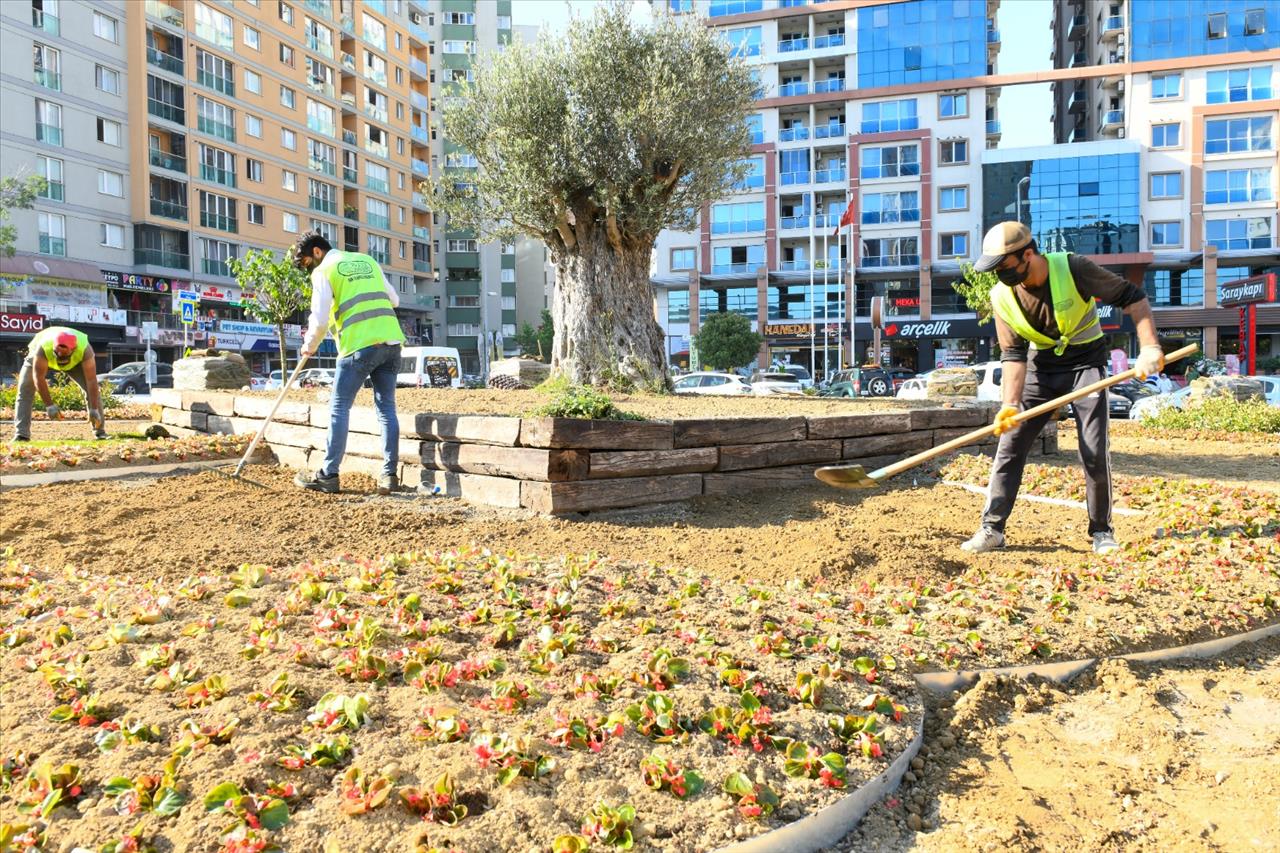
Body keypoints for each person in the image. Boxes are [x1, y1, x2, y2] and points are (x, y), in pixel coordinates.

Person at [961, 222, 1164, 556]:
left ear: (1028, 254)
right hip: (1041, 369)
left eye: (1004, 267)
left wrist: (1149, 348)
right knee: (1009, 445)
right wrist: (1010, 404)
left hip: (1087, 364)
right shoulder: (1001, 295)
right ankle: (992, 529)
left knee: (1093, 449)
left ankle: (1102, 531)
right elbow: (1012, 354)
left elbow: (1133, 297)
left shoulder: (1073, 268)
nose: (999, 275)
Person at [292, 230, 405, 495]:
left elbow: (319, 320)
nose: (309, 270)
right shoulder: (367, 261)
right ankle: (389, 475)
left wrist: (308, 347)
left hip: (358, 347)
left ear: (317, 252)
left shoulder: (324, 271)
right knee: (386, 409)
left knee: (339, 408)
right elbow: (394, 300)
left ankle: (328, 475)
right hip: (391, 342)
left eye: (308, 263)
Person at [12, 326, 107, 441]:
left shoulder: (85, 350)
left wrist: (94, 409)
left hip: (75, 363)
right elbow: (38, 378)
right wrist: (49, 406)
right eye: (58, 355)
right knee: (25, 389)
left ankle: (100, 432)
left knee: (92, 391)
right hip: (41, 357)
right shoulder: (42, 348)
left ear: (73, 349)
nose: (61, 360)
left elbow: (91, 380)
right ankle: (21, 435)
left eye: (64, 356)